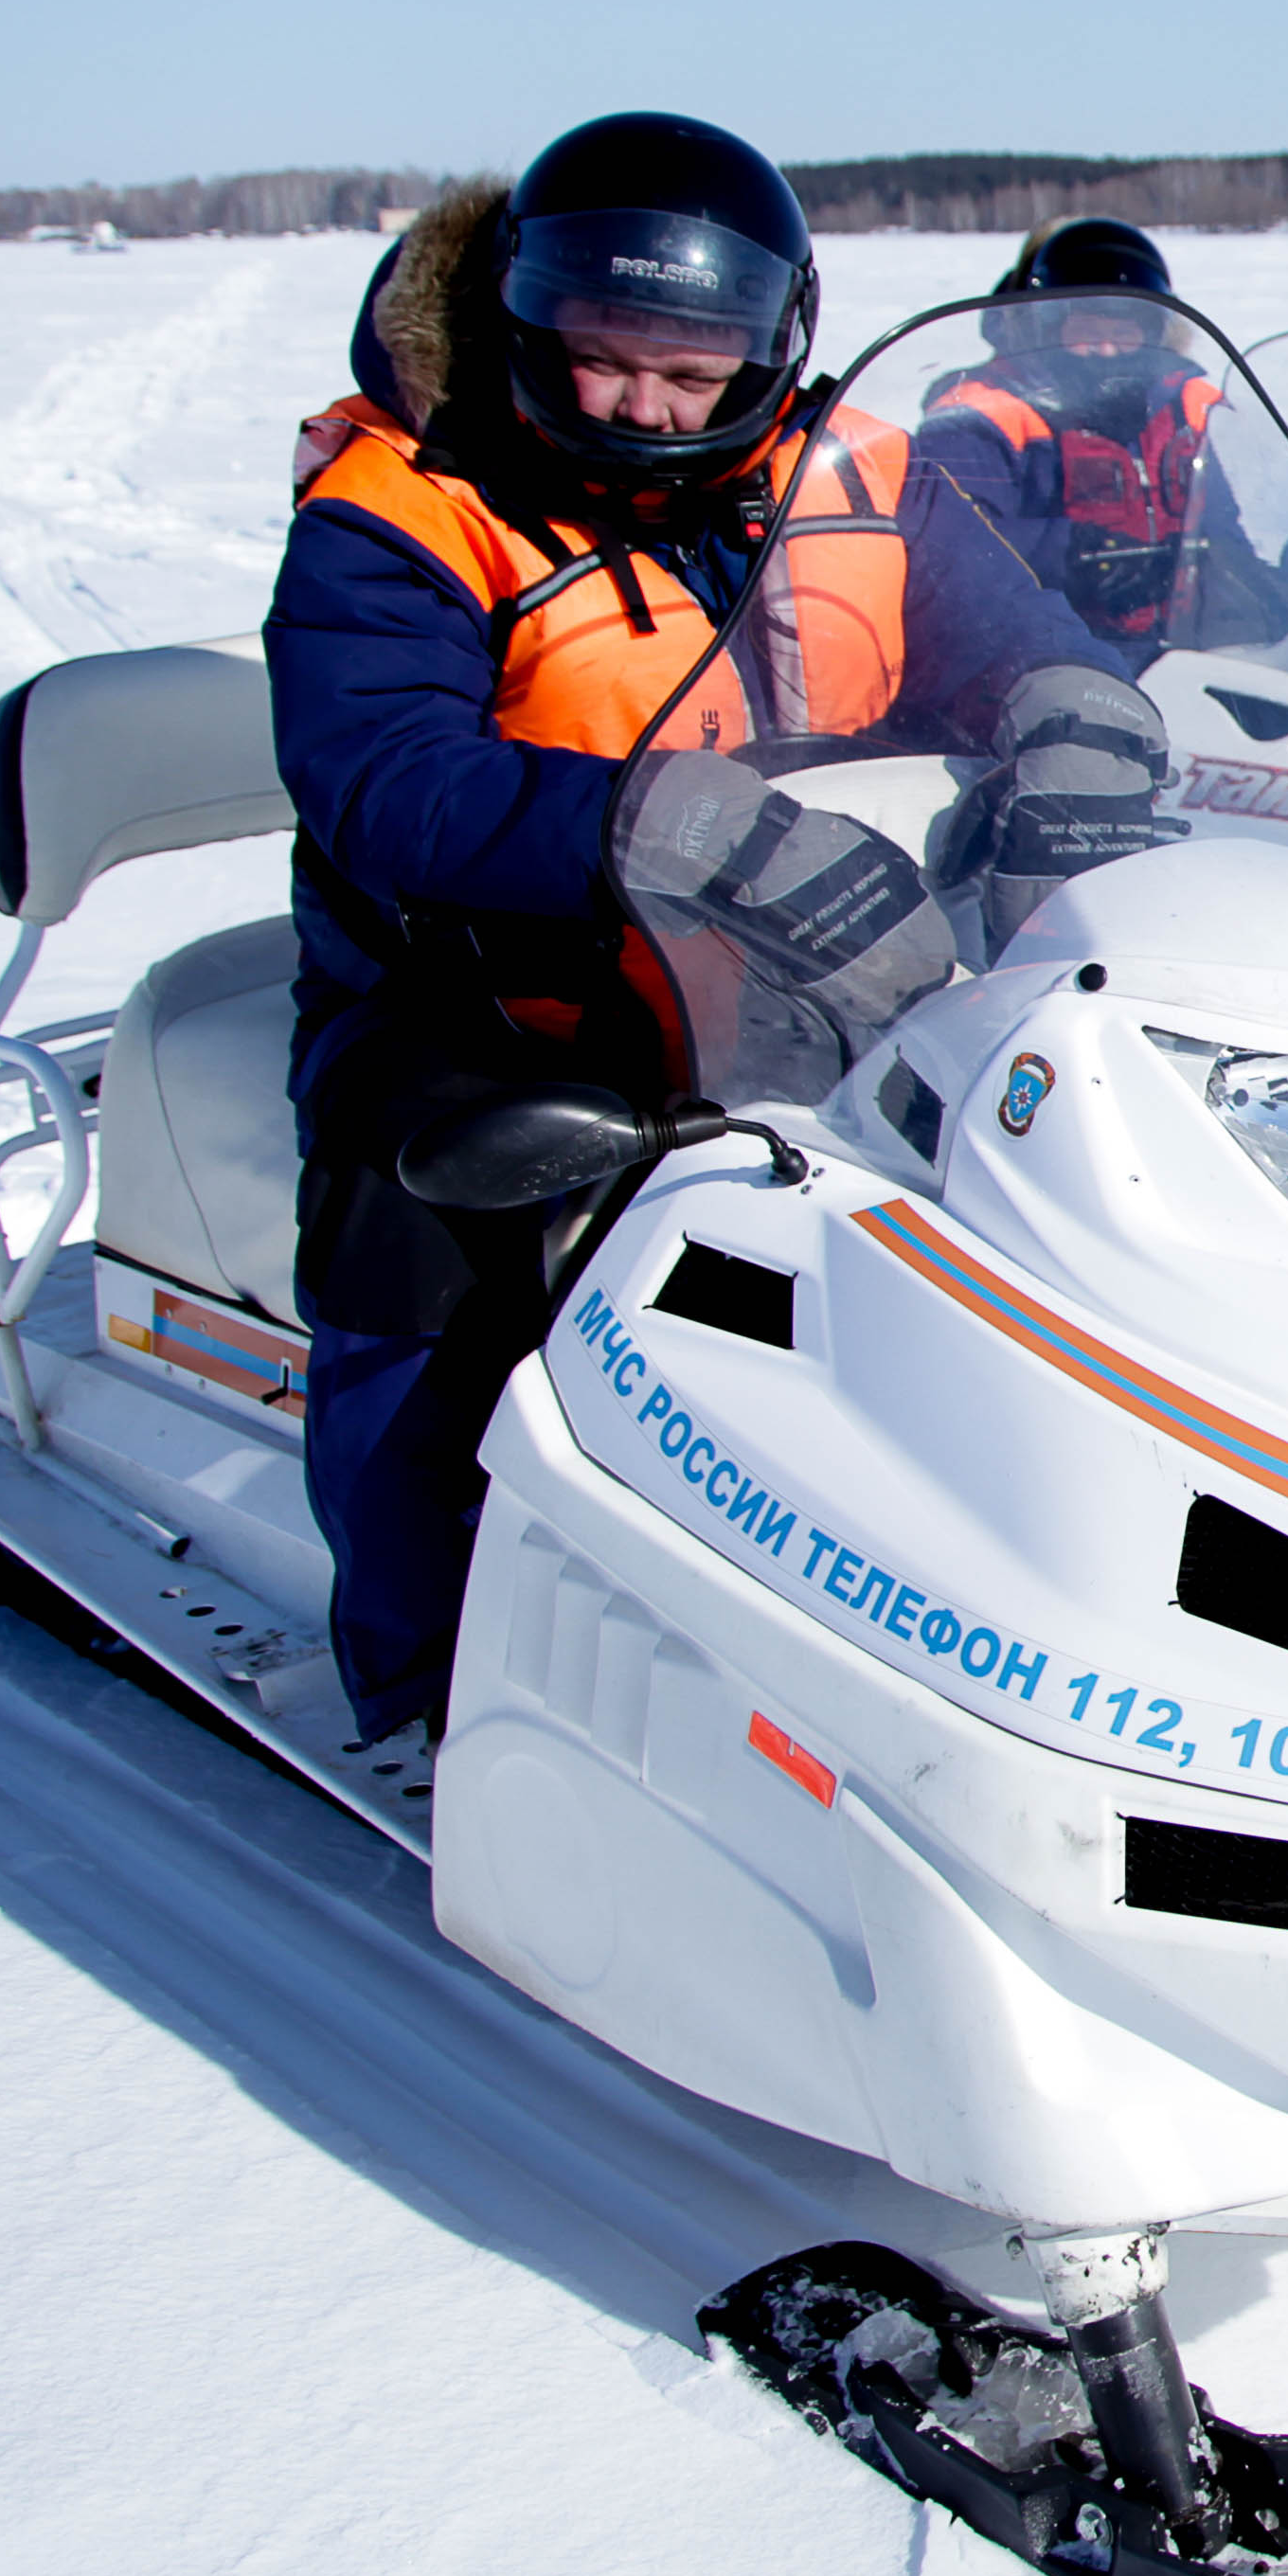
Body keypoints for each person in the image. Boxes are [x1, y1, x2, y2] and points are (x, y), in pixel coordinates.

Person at [266, 115, 1162, 1749]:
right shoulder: (404, 500)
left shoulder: (855, 470)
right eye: (602, 360)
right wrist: (689, 829)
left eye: (691, 374)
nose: (644, 407)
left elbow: (1022, 637)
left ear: (773, 346)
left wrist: (1081, 729)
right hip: (493, 987)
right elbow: (384, 778)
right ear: (522, 319)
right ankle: (426, 1681)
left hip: (838, 971)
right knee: (426, 1224)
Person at [908, 216, 1232, 644]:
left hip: (1194, 640)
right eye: (1087, 330)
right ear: (1046, 327)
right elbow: (953, 556)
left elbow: (1231, 531)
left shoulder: (1190, 405)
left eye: (1124, 332)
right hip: (1046, 650)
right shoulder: (980, 418)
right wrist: (1073, 553)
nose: (1106, 349)